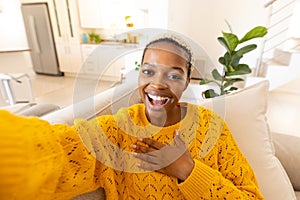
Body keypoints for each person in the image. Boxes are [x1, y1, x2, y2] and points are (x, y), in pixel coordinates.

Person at [0, 34, 264, 199]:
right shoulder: (117, 129)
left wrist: (187, 169)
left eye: (173, 75)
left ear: (186, 82)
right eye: (148, 72)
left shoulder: (210, 126)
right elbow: (56, 151)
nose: (157, 83)